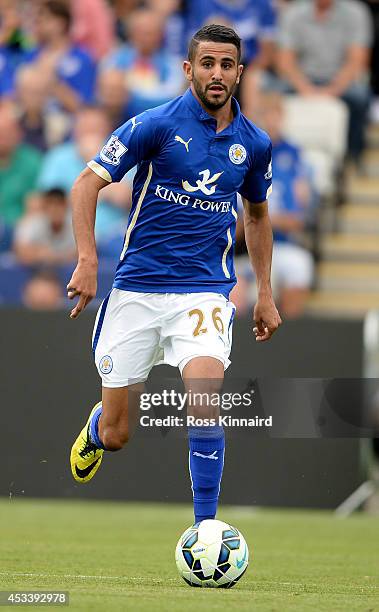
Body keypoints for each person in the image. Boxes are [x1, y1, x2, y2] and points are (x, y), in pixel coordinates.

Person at [68, 25, 281, 527]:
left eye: (227, 64)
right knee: (121, 433)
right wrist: (87, 259)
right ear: (189, 69)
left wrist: (266, 293)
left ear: (239, 72)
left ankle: (205, 531)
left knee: (205, 401)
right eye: (207, 63)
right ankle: (100, 428)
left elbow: (256, 216)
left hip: (203, 292)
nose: (217, 73)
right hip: (137, 290)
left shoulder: (253, 144)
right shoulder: (155, 125)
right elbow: (85, 185)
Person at [277, 0, 373, 163]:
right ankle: (273, 154)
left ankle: (353, 157)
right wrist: (306, 89)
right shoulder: (294, 12)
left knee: (361, 98)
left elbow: (357, 61)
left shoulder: (356, 12)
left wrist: (331, 90)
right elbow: (285, 61)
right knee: (269, 92)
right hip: (303, 79)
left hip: (341, 81)